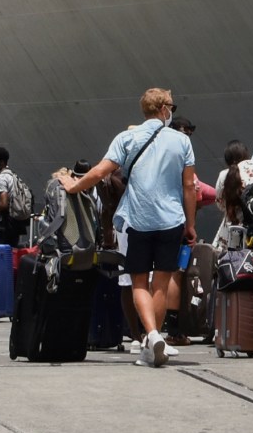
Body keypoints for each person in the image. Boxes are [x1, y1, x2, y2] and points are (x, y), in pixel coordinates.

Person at [61, 88, 197, 367]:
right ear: (163, 110)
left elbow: (100, 171)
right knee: (161, 281)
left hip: (139, 219)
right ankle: (154, 338)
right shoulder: (182, 141)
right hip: (171, 219)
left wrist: (73, 185)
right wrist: (191, 223)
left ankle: (152, 336)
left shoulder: (127, 138)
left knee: (138, 281)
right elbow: (188, 186)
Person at [0, 147, 30, 246]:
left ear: (1, 162)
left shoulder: (1, 178)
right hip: (14, 224)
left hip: (1, 225)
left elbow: (3, 204)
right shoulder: (12, 176)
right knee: (10, 255)